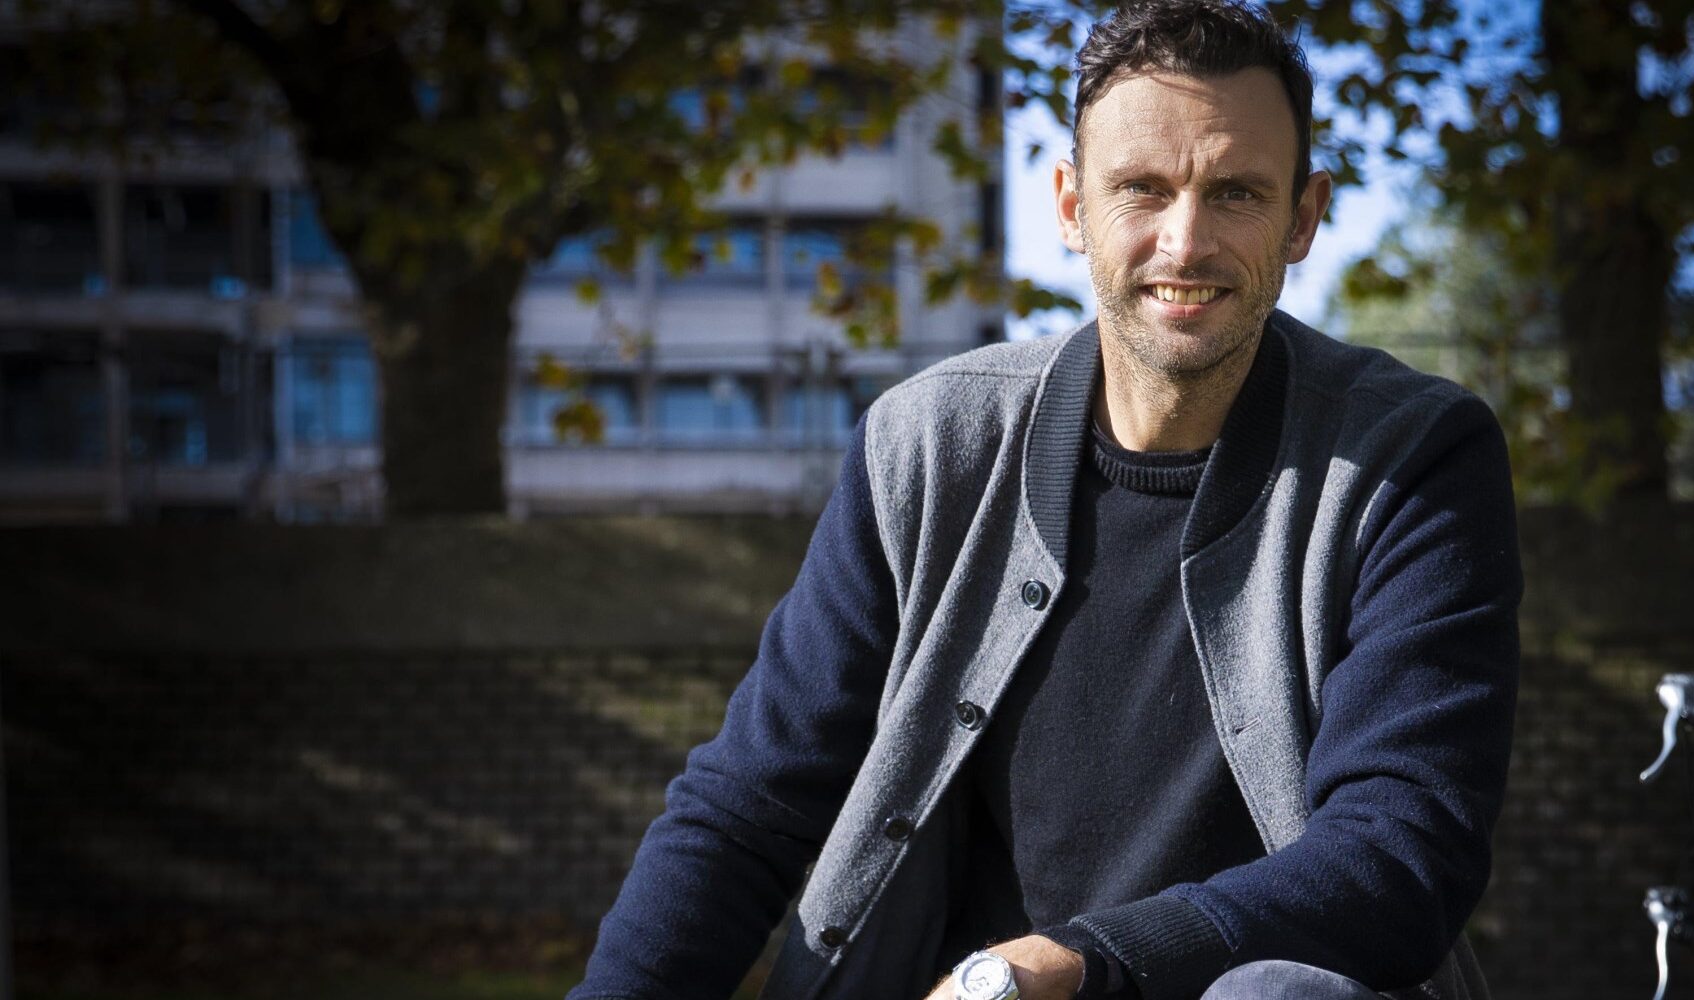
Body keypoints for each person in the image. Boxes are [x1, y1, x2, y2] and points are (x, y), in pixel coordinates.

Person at [568, 2, 1520, 998]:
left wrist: (1056, 968)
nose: (1183, 242)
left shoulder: (1412, 457)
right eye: (1140, 190)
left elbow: (1399, 854)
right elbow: (744, 807)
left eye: (1236, 192)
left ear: (1303, 217)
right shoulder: (927, 446)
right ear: (1069, 206)